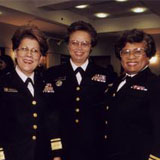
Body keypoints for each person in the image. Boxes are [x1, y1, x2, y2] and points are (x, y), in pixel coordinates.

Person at [45, 20, 110, 160]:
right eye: (74, 42)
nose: (79, 48)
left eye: (84, 43)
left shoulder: (107, 75)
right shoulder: (52, 74)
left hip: (95, 150)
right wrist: (56, 150)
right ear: (68, 44)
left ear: (91, 46)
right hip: (64, 148)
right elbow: (50, 114)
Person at [0, 25, 62, 160]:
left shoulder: (47, 84)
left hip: (42, 155)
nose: (29, 55)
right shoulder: (3, 83)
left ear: (40, 57)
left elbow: (53, 123)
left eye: (35, 51)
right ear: (15, 52)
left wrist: (56, 154)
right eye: (24, 49)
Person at [105, 29, 160, 160]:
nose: (131, 57)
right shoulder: (115, 83)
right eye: (126, 52)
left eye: (138, 52)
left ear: (148, 55)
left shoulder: (155, 85)